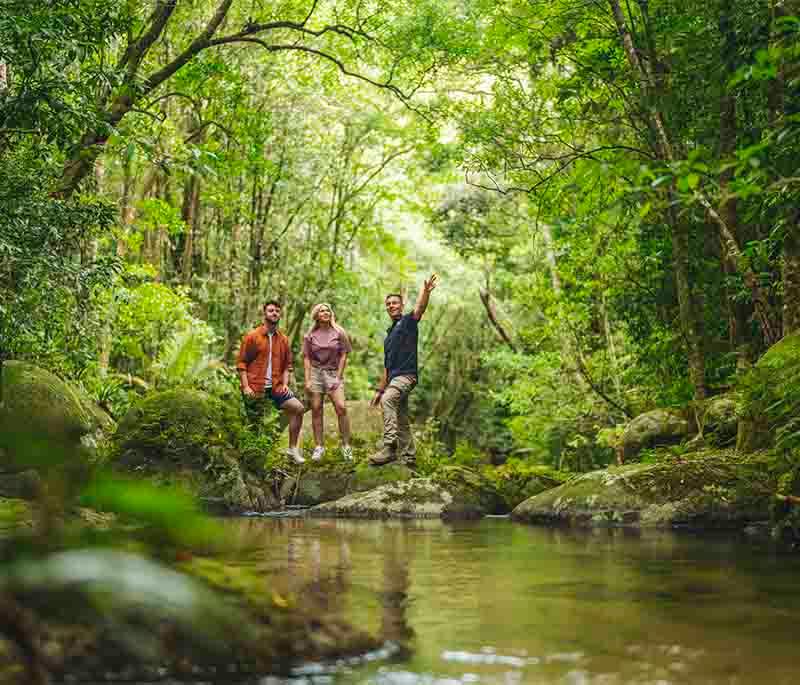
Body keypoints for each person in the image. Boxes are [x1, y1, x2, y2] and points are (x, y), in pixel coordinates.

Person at [369, 274, 439, 467]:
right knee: (401, 417)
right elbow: (386, 367)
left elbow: (420, 309)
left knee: (388, 400)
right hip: (393, 378)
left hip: (406, 376)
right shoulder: (389, 336)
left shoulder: (407, 322)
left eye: (394, 303)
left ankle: (389, 447)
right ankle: (409, 457)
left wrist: (425, 292)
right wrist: (379, 390)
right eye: (388, 304)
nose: (391, 306)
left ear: (401, 305)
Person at [237, 300, 306, 464]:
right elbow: (241, 364)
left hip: (275, 388)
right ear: (264, 314)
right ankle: (251, 462)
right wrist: (246, 386)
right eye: (271, 310)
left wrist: (285, 384)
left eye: (277, 311)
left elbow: (287, 366)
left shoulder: (283, 340)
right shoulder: (252, 337)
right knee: (254, 426)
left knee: (298, 409)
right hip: (254, 387)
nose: (274, 313)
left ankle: (292, 449)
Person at [302, 303, 353, 461]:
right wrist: (308, 379)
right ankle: (319, 447)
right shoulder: (310, 335)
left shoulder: (339, 332)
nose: (325, 313)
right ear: (316, 315)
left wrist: (338, 376)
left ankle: (346, 446)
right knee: (316, 408)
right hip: (316, 373)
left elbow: (344, 354)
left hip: (332, 373)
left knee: (341, 407)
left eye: (327, 310)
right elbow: (306, 358)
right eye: (322, 311)